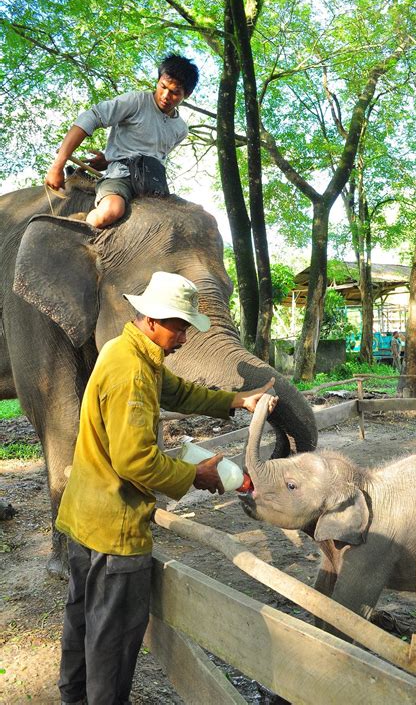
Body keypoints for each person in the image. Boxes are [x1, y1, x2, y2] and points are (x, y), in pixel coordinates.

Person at [55, 271, 278, 705]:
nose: (186, 337)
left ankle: (74, 699)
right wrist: (198, 475)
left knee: (82, 623)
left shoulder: (129, 351)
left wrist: (236, 400)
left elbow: (177, 391)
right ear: (153, 319)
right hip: (114, 531)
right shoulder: (132, 372)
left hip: (86, 519)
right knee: (113, 642)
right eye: (180, 326)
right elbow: (134, 460)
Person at [45, 55, 198, 229]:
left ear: (188, 94)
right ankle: (78, 226)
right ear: (158, 80)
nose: (165, 95)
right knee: (111, 211)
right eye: (162, 86)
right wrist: (58, 165)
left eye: (175, 92)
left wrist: (107, 159)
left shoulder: (181, 130)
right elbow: (91, 117)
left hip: (155, 187)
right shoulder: (135, 101)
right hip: (121, 177)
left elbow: (151, 156)